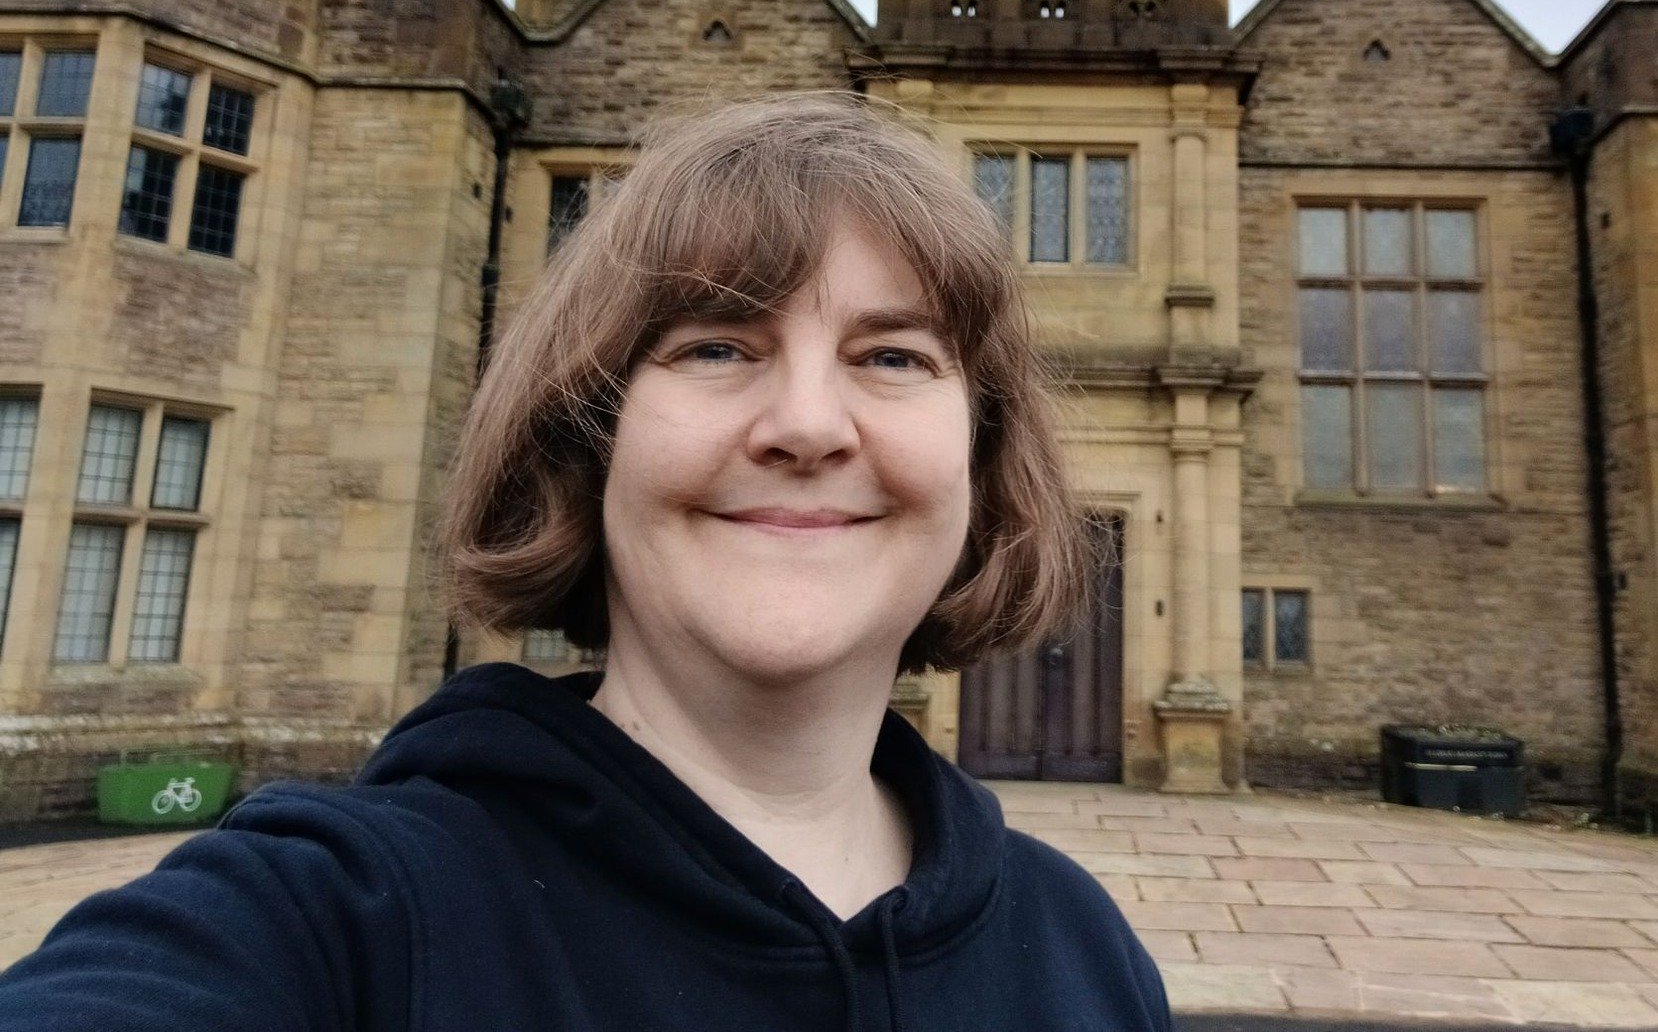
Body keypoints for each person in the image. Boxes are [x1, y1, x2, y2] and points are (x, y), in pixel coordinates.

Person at [0, 93, 1172, 1031]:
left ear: (980, 454)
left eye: (895, 356)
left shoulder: (1080, 948)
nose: (807, 423)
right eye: (715, 345)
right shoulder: (329, 922)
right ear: (584, 438)